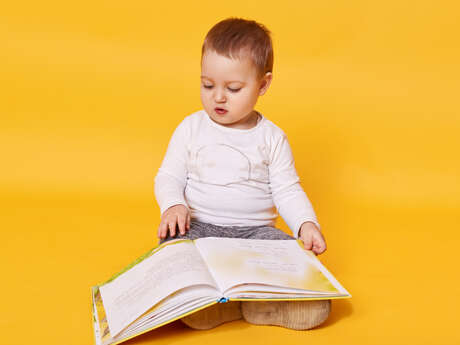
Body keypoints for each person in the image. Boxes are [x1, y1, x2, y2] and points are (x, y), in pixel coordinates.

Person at [154, 17, 330, 330]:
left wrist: (306, 224)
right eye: (207, 85)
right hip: (200, 228)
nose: (218, 97)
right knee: (173, 250)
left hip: (255, 234)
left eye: (233, 88)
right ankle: (215, 303)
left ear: (263, 85)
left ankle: (261, 303)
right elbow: (169, 177)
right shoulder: (190, 128)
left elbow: (288, 190)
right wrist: (173, 205)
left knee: (292, 256)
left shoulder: (272, 138)